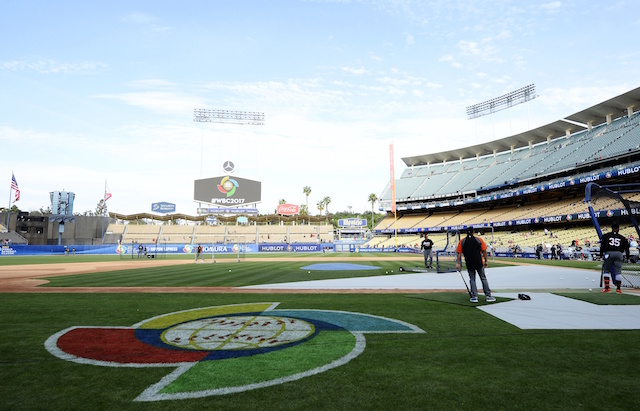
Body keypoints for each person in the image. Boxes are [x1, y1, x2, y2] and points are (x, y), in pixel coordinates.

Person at [456, 227, 495, 303]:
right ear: (473, 232)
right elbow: (484, 251)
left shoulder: (462, 241)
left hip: (469, 263)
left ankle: (474, 297)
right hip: (478, 262)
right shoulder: (479, 240)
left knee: (472, 279)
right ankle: (488, 296)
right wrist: (486, 261)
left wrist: (458, 263)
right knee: (483, 278)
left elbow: (459, 253)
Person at [600, 222, 630, 293]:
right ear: (618, 228)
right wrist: (627, 257)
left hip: (609, 253)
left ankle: (607, 288)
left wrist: (601, 255)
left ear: (612, 228)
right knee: (618, 272)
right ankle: (618, 289)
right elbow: (627, 248)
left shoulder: (606, 236)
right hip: (619, 254)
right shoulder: (622, 238)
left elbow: (602, 246)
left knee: (606, 270)